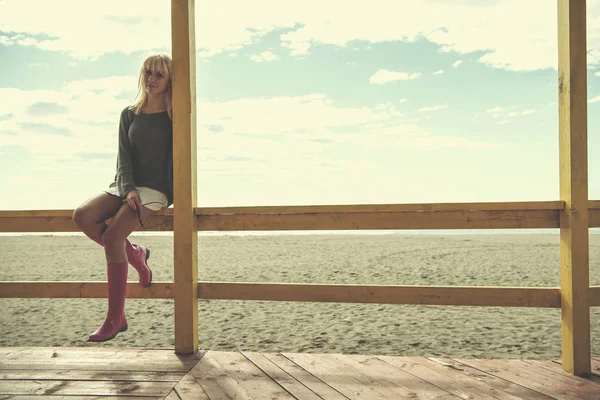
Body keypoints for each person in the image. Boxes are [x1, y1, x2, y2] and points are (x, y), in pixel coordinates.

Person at [73, 54, 174, 342]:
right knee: (82, 215)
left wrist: (168, 194)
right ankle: (136, 255)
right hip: (125, 184)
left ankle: (115, 318)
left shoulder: (174, 116)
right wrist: (128, 188)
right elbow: (123, 158)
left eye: (159, 75)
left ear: (168, 82)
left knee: (112, 237)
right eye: (148, 73)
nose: (151, 79)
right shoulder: (129, 113)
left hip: (155, 190)